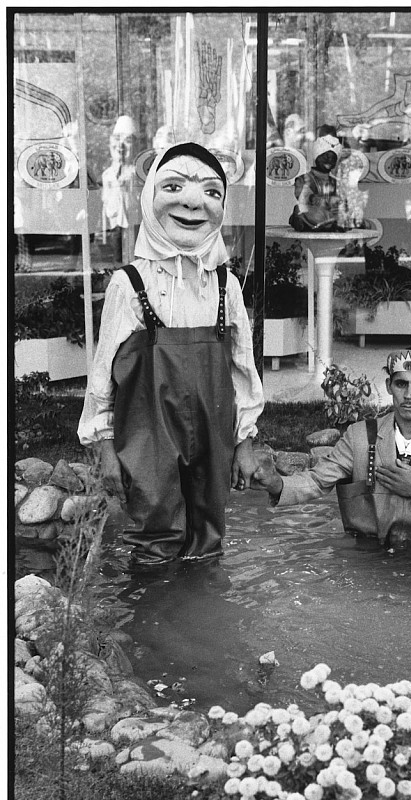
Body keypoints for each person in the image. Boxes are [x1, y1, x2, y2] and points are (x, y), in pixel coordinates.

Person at [78, 141, 264, 565]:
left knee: (208, 540)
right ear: (150, 197)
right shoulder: (128, 285)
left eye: (211, 192)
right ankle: (153, 625)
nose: (193, 203)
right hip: (146, 437)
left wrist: (245, 442)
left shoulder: (225, 285)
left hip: (213, 434)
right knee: (153, 540)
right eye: (175, 186)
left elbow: (243, 370)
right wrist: (106, 449)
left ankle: (202, 622)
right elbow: (102, 375)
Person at [252, 346, 411, 548]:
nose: (409, 395)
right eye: (401, 384)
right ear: (389, 386)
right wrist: (276, 484)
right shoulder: (360, 437)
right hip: (370, 556)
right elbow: (317, 481)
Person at [289, 134, 342, 232]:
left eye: (332, 158)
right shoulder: (304, 178)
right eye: (325, 157)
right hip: (314, 212)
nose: (328, 161)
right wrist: (317, 200)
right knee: (310, 212)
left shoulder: (335, 182)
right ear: (317, 157)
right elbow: (303, 195)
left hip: (330, 213)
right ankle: (324, 223)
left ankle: (329, 223)